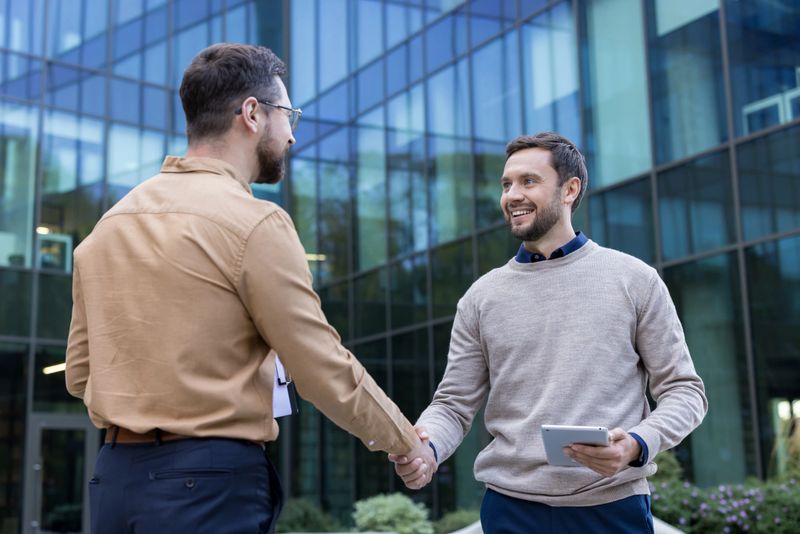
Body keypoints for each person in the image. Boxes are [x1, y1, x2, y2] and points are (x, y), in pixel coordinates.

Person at [65, 43, 435, 534]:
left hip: (113, 482)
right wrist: (405, 440)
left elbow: (79, 374)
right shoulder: (255, 223)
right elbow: (319, 363)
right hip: (207, 483)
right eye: (289, 115)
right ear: (252, 114)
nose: (292, 136)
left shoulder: (106, 228)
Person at [391, 132, 708, 533]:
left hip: (611, 510)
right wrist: (428, 446)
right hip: (511, 512)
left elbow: (685, 391)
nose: (512, 195)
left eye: (529, 181)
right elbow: (453, 404)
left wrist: (637, 444)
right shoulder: (481, 297)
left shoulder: (634, 280)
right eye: (507, 184)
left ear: (570, 190)